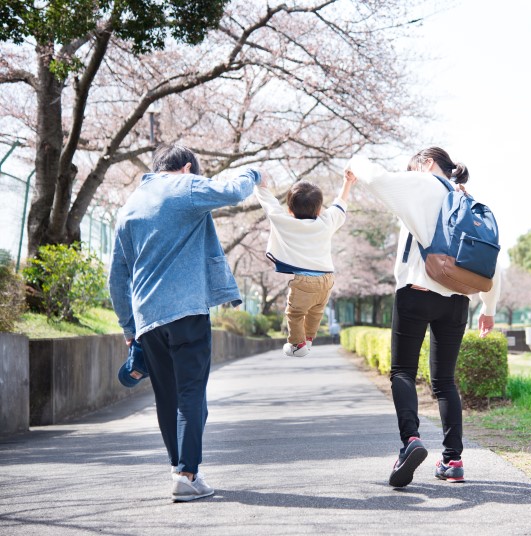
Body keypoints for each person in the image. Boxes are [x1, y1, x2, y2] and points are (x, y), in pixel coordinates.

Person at [108, 144, 261, 502]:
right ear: (188, 167)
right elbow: (234, 191)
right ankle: (187, 474)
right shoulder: (185, 187)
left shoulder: (128, 206)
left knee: (167, 396)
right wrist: (253, 173)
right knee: (191, 393)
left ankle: (180, 469)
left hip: (148, 319)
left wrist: (128, 329)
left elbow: (117, 276)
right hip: (187, 312)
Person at [345, 147, 500, 487]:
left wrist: (355, 162)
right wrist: (489, 308)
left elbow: (379, 179)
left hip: (416, 292)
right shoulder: (467, 199)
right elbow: (488, 257)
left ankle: (411, 441)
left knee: (402, 371)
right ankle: (453, 461)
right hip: (457, 299)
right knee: (444, 381)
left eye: (413, 167)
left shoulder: (424, 183)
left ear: (428, 163)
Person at [255, 173, 355, 357]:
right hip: (327, 280)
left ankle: (297, 344)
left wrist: (260, 186)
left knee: (295, 313)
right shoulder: (326, 222)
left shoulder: (285, 222)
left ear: (290, 210)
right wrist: (347, 182)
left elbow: (270, 205)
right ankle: (308, 339)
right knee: (316, 312)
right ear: (319, 210)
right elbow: (340, 203)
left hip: (305, 281)